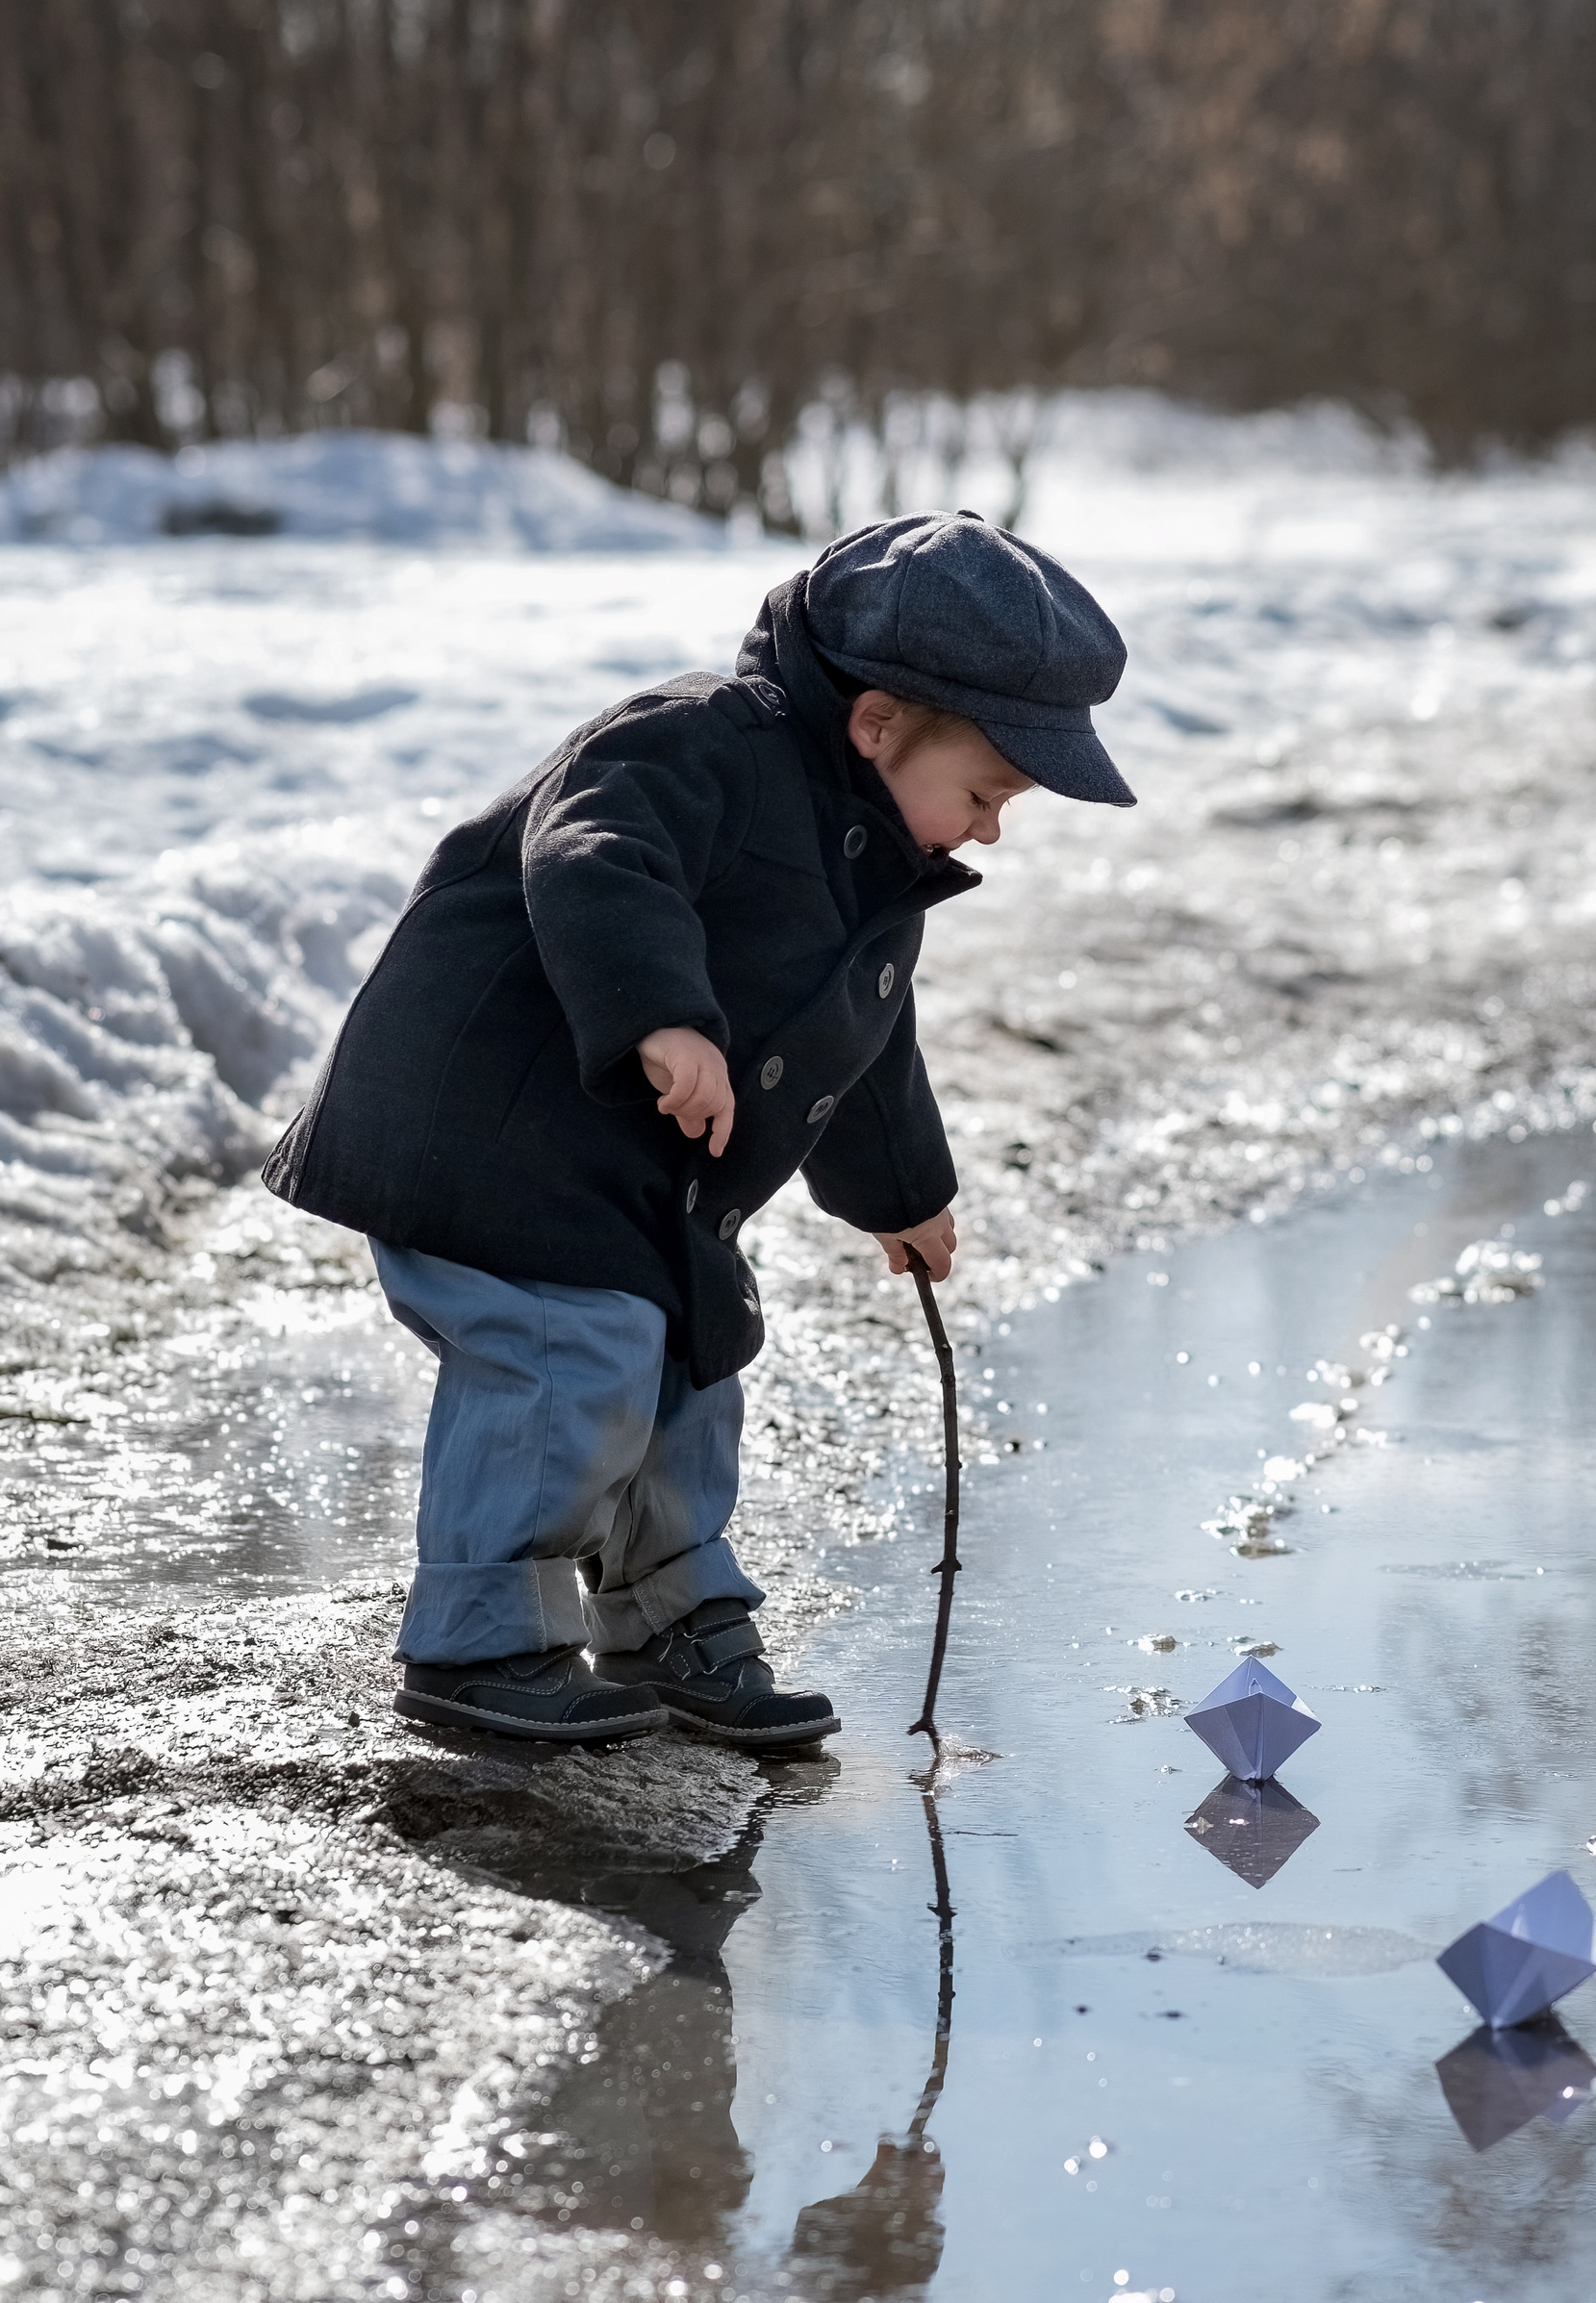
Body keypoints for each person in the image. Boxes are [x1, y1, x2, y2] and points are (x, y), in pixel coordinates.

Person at [263, 509, 1135, 1755]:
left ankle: (672, 1618)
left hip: (630, 1174)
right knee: (574, 1357)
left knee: (692, 1361)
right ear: (878, 722)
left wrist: (902, 1192)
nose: (991, 825)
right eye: (988, 790)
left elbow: (867, 1042)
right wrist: (663, 1015)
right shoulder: (694, 746)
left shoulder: (881, 873)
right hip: (486, 1126)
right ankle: (478, 1637)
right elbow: (597, 857)